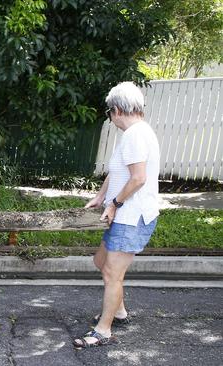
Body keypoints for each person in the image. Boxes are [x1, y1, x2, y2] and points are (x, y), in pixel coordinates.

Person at [73, 81, 160, 348]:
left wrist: (114, 204)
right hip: (124, 215)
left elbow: (138, 179)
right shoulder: (135, 133)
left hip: (130, 217)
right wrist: (100, 197)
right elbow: (117, 171)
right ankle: (118, 311)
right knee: (101, 262)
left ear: (117, 110)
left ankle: (104, 330)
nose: (110, 118)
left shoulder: (135, 135)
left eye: (110, 112)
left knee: (112, 274)